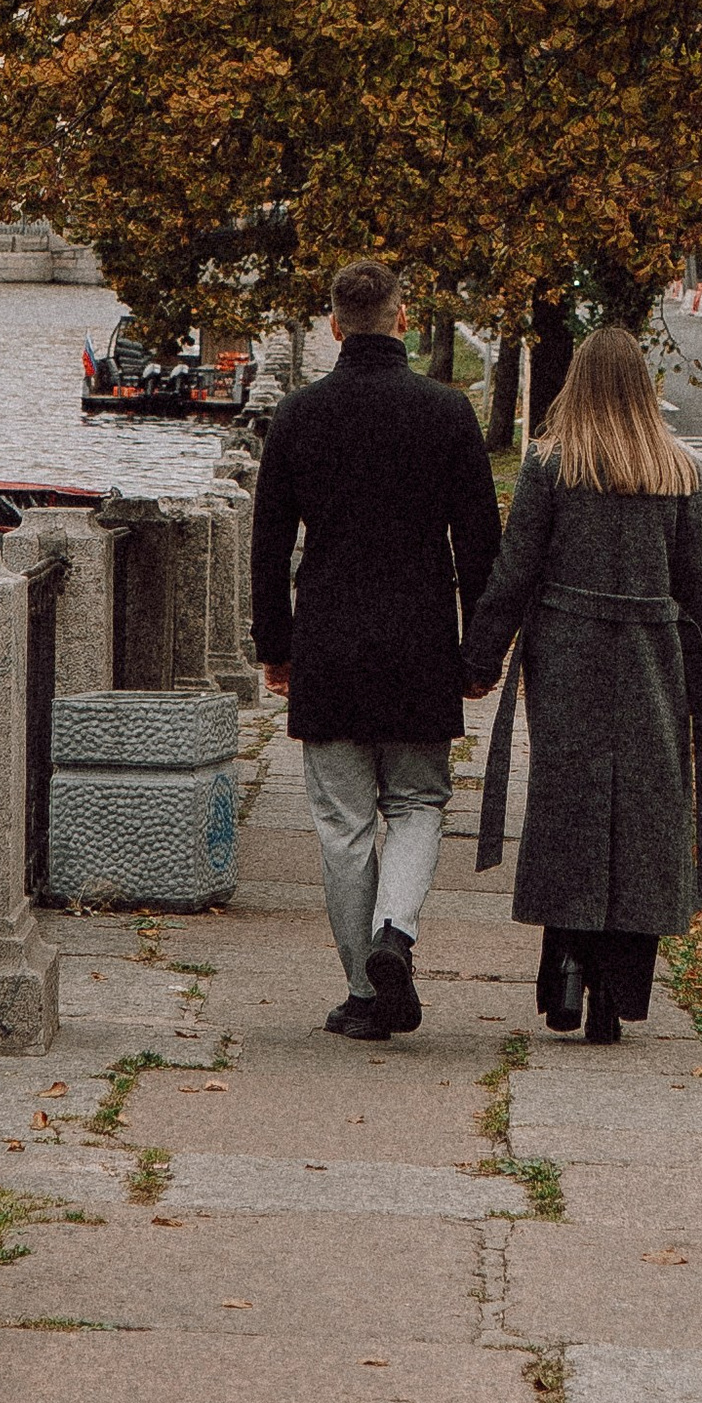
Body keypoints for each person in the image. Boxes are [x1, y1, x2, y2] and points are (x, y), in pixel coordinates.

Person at [251, 256, 503, 1041]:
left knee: (342, 823)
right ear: (401, 318)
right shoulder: (447, 414)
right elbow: (480, 545)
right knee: (421, 802)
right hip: (421, 641)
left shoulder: (297, 416)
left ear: (333, 326)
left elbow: (268, 547)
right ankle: (397, 930)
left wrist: (275, 645)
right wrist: (481, 651)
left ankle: (363, 993)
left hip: (328, 642)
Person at [460, 326, 702, 1046]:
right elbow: (696, 585)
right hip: (651, 654)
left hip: (568, 650)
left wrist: (480, 656)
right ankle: (619, 989)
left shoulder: (550, 465)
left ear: (576, 383)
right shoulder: (676, 472)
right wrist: (701, 679)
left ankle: (567, 965)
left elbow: (515, 570)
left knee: (566, 801)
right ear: (644, 389)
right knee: (644, 814)